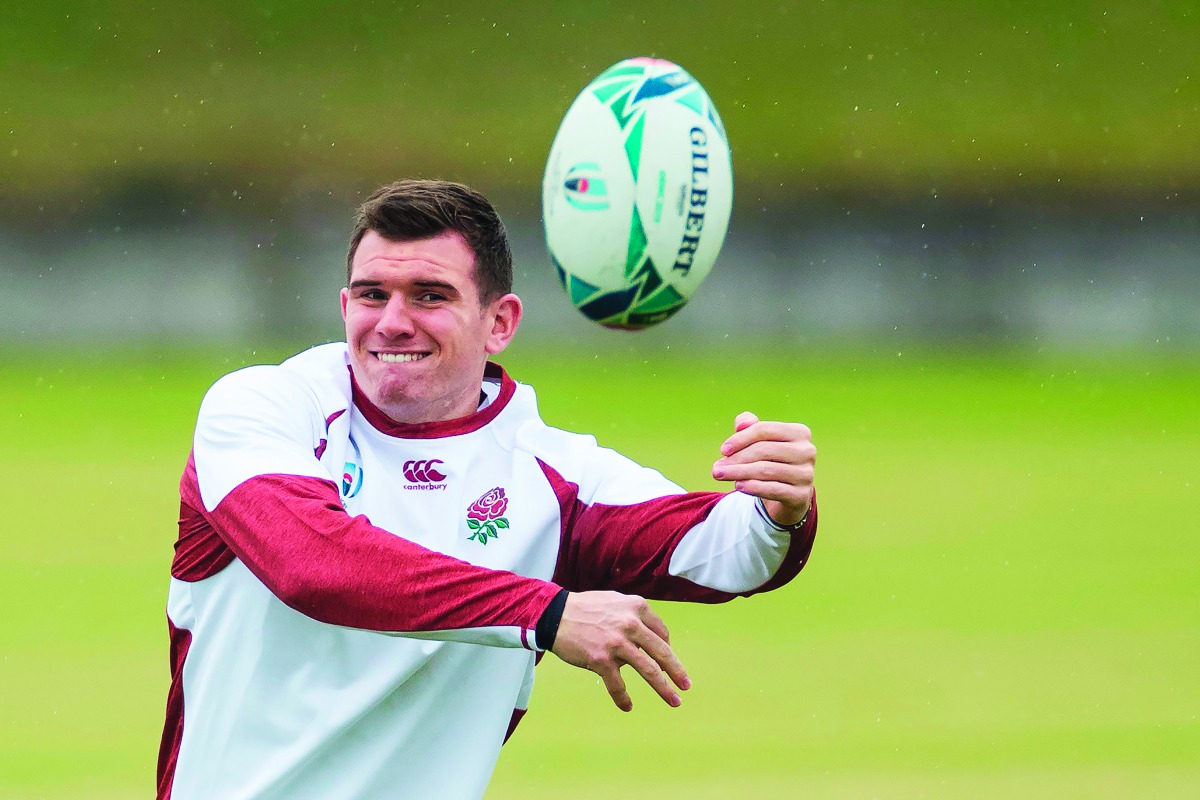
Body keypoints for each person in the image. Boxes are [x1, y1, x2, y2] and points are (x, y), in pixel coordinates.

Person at [157, 179, 818, 800]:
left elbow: (729, 551)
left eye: (429, 295)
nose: (391, 320)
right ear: (343, 306)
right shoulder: (259, 410)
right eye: (371, 294)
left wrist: (780, 506)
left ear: (500, 323)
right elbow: (315, 566)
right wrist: (545, 613)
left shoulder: (554, 476)